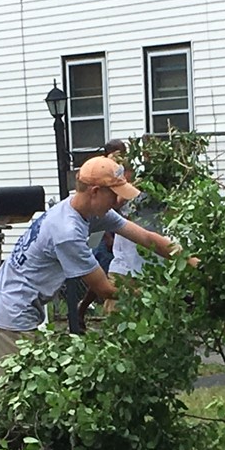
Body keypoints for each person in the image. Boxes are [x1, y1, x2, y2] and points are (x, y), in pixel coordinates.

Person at [0, 155, 194, 389]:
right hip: (10, 319)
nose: (118, 201)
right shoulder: (68, 232)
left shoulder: (83, 210)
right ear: (95, 191)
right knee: (33, 401)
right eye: (113, 194)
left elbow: (147, 237)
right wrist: (166, 296)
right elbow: (106, 289)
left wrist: (192, 260)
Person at [77, 139, 130, 326]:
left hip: (117, 232)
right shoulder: (101, 172)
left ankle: (81, 310)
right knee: (100, 276)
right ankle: (81, 309)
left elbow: (145, 236)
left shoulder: (123, 172)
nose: (121, 156)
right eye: (117, 153)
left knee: (103, 276)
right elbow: (111, 208)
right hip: (107, 235)